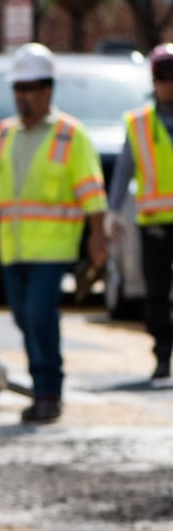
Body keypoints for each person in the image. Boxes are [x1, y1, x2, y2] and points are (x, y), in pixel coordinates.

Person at [0, 42, 107, 425]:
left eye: (29, 88)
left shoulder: (69, 135)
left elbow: (91, 189)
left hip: (53, 247)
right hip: (14, 247)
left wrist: (97, 235)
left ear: (47, 90)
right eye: (18, 88)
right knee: (24, 318)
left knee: (40, 313)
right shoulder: (5, 134)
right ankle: (41, 386)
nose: (22, 96)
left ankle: (49, 390)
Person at [108, 42, 173, 382]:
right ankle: (163, 354)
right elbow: (124, 169)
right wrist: (114, 211)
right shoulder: (140, 123)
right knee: (157, 293)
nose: (168, 84)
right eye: (162, 77)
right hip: (155, 224)